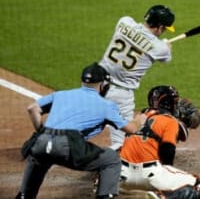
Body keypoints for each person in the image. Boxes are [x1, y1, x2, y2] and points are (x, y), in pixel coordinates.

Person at [16, 62, 147, 199]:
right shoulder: (106, 106)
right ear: (103, 85)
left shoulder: (60, 94)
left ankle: (24, 195)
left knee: (38, 162)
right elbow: (131, 129)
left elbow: (32, 108)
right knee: (111, 158)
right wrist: (139, 119)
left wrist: (42, 132)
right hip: (68, 145)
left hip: (40, 142)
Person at [99, 5, 175, 151]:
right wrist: (165, 44)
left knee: (81, 124)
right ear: (159, 28)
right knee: (122, 142)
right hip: (120, 96)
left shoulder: (124, 22)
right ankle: (108, 170)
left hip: (96, 85)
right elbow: (165, 57)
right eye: (164, 28)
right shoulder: (160, 49)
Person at [119, 85, 200, 199]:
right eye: (175, 101)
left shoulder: (139, 117)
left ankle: (119, 191)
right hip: (150, 175)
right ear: (168, 102)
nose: (176, 105)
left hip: (124, 176)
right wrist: (166, 171)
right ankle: (159, 197)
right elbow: (168, 151)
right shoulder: (170, 121)